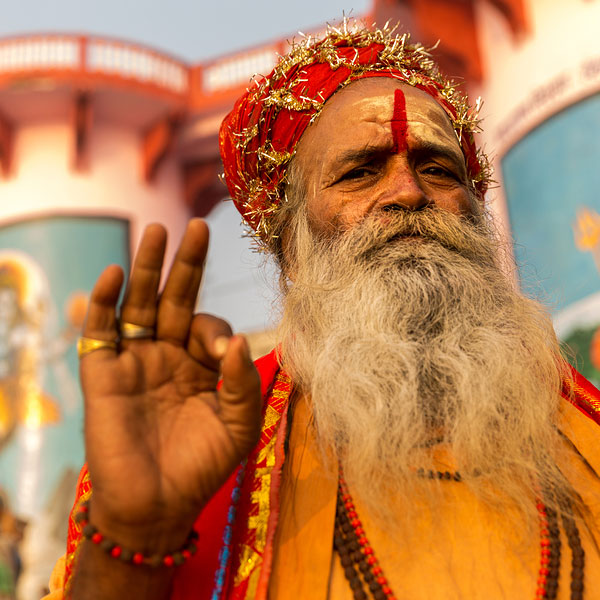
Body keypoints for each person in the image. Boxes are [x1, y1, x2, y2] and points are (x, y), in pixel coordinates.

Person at [45, 22, 600, 600]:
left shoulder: (587, 427)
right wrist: (137, 539)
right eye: (361, 172)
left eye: (438, 169)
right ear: (292, 242)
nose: (408, 192)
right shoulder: (210, 447)